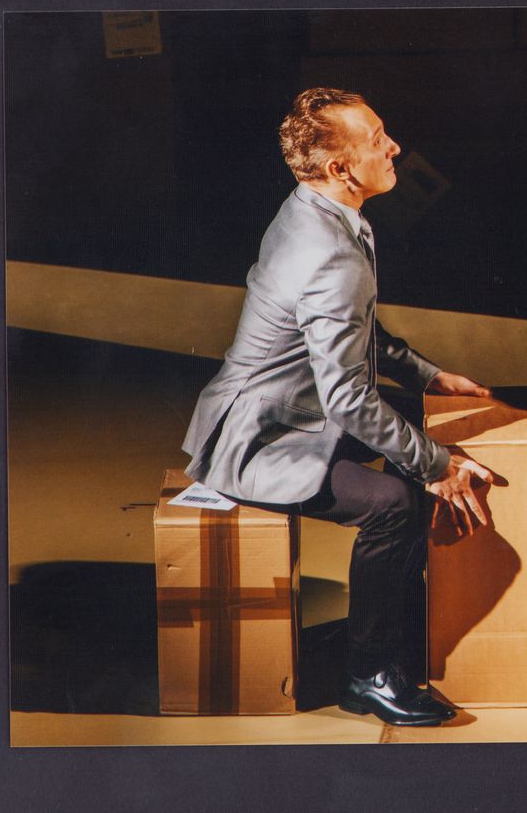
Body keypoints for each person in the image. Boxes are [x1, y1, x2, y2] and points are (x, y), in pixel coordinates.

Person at [182, 87, 494, 726]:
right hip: (261, 439)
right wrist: (438, 466)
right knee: (397, 504)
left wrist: (429, 377)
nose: (395, 147)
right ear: (340, 168)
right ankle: (371, 674)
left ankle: (398, 626)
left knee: (412, 448)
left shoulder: (314, 209)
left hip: (291, 412)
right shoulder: (329, 253)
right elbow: (348, 397)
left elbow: (356, 333)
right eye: (377, 140)